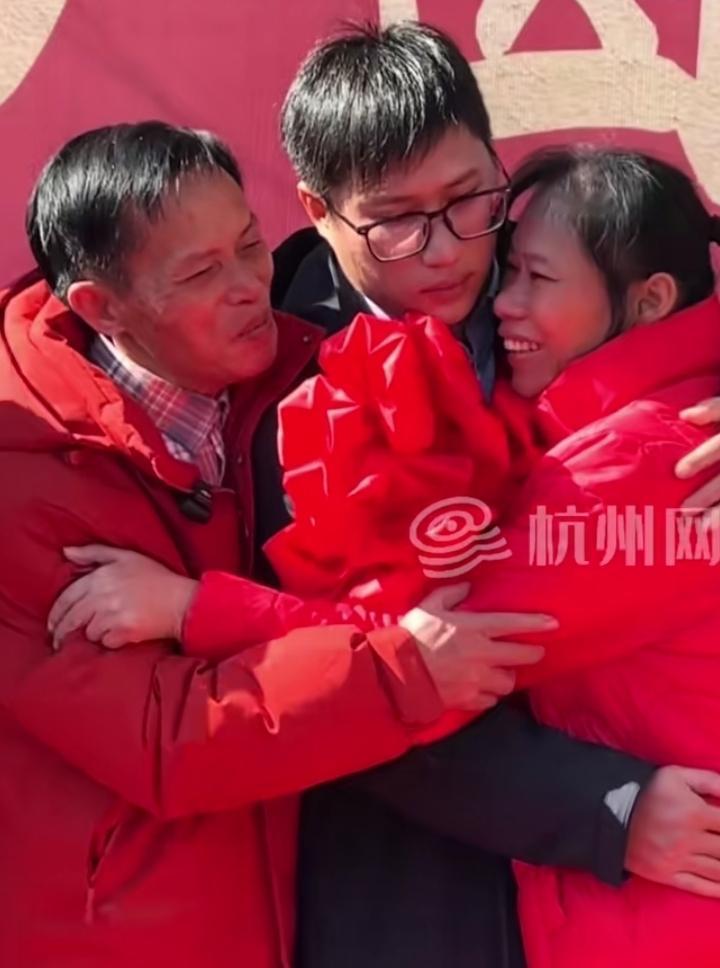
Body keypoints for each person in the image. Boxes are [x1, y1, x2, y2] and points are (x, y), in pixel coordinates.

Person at [50, 25, 720, 968]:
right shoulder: (279, 387)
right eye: (396, 219)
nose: (446, 251)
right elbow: (360, 678)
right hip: (422, 888)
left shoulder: (545, 277)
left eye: (467, 199)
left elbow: (671, 304)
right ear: (319, 210)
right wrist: (603, 810)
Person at [0, 120, 555, 968]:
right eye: (201, 273)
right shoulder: (25, 478)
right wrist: (401, 670)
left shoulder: (306, 373)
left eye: (251, 245)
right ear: (100, 309)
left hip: (289, 916)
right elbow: (169, 741)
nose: (248, 286)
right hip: (120, 937)